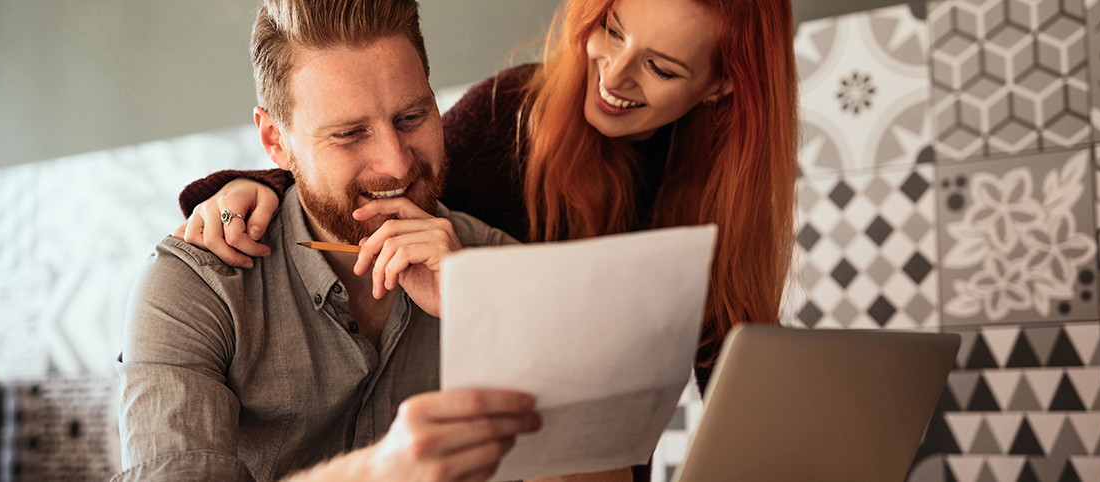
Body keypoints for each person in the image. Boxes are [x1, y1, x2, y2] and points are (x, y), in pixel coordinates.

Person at [180, 0, 799, 396]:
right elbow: (389, 185)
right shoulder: (510, 116)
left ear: (721, 85)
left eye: (661, 68)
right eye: (611, 30)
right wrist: (254, 185)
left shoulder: (726, 190)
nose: (612, 74)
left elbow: (735, 383)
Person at [114, 1, 548, 481]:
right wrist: (380, 472)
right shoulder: (195, 288)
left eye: (411, 117)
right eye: (349, 134)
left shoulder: (499, 265)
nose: (398, 164)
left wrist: (489, 318)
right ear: (276, 141)